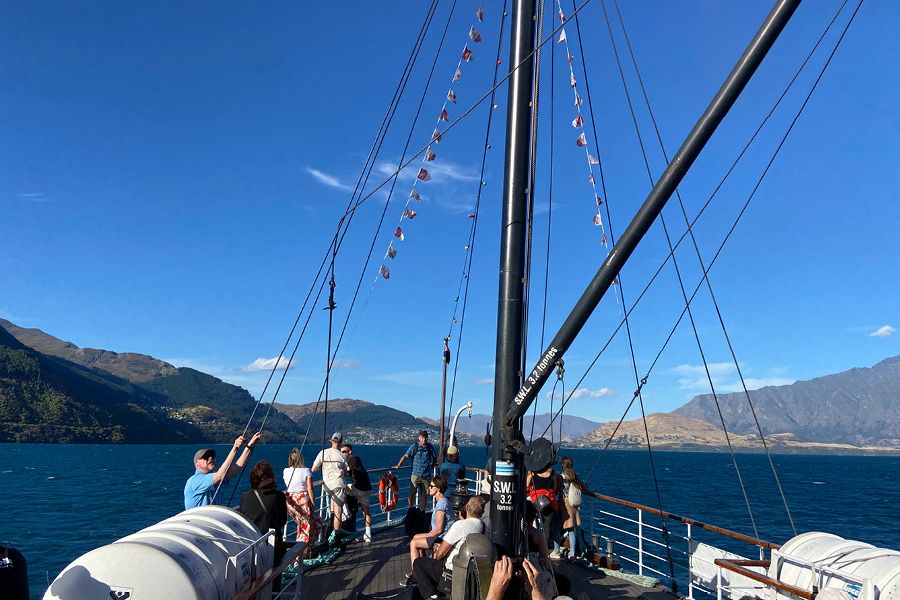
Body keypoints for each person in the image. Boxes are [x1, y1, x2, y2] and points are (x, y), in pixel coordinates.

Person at [411, 495, 486, 600]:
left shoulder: (460, 526)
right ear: (482, 513)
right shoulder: (482, 526)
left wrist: (437, 553)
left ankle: (431, 597)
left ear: (467, 507)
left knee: (419, 563)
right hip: (467, 569)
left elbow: (440, 553)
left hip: (451, 572)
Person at [238, 460, 288, 593]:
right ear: (270, 477)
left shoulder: (245, 497)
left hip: (252, 549)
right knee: (274, 583)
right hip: (274, 547)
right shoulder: (279, 496)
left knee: (253, 586)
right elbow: (283, 520)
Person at [184, 432, 262, 510]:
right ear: (197, 464)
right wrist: (235, 448)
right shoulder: (194, 480)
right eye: (206, 457)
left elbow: (237, 468)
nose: (210, 458)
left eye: (212, 456)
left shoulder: (211, 479)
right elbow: (219, 476)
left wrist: (249, 447)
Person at [407, 475, 454, 571]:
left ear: (439, 488)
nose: (429, 488)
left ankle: (416, 575)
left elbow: (439, 530)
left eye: (431, 486)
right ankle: (422, 568)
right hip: (442, 535)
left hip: (442, 538)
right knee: (416, 536)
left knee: (414, 543)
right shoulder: (443, 501)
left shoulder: (441, 504)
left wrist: (427, 537)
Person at [311, 432, 349, 536]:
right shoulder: (343, 456)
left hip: (327, 485)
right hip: (338, 484)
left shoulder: (323, 452)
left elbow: (313, 469)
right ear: (341, 443)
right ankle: (336, 537)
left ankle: (330, 529)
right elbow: (346, 473)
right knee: (338, 511)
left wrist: (324, 467)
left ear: (331, 441)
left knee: (333, 500)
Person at [526, 462, 565, 558]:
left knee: (532, 523)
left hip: (536, 501)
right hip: (549, 502)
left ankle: (531, 546)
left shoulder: (533, 472)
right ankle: (544, 550)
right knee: (547, 527)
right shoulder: (553, 473)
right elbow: (555, 488)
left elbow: (527, 485)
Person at [394, 429, 437, 511]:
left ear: (427, 438)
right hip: (415, 475)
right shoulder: (414, 446)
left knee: (424, 495)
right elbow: (405, 456)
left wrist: (432, 466)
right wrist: (398, 465)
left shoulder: (430, 447)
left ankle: (422, 512)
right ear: (419, 438)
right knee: (412, 493)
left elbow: (434, 457)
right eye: (421, 437)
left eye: (425, 437)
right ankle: (410, 509)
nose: (423, 439)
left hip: (426, 475)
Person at [283, 448, 320, 544]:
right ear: (301, 459)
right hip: (303, 499)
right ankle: (303, 546)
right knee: (307, 523)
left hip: (290, 500)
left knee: (300, 523)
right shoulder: (306, 470)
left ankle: (302, 544)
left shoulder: (285, 471)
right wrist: (313, 502)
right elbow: (310, 488)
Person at [341, 442, 373, 542]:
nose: (342, 454)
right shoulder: (355, 459)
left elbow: (342, 471)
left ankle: (346, 511)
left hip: (359, 489)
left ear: (349, 452)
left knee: (338, 488)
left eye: (343, 452)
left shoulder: (351, 459)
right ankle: (368, 534)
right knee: (366, 511)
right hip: (366, 488)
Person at [560, 456, 588, 559]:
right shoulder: (574, 476)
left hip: (566, 503)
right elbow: (584, 487)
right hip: (574, 504)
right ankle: (580, 549)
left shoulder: (562, 476)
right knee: (575, 527)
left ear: (562, 465)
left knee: (570, 529)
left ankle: (572, 552)